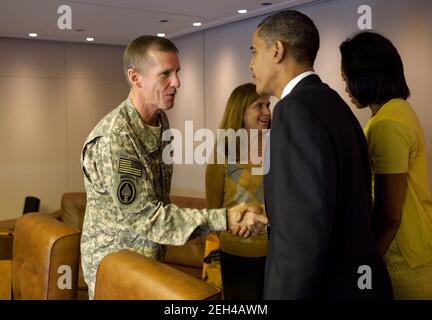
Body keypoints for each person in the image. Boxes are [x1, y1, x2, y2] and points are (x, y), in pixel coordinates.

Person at [80, 35, 268, 299]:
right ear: (136, 78)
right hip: (117, 274)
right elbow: (148, 218)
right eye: (165, 74)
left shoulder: (161, 121)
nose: (177, 83)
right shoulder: (117, 139)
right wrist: (224, 217)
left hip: (148, 264)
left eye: (177, 72)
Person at [249, 10, 393, 299]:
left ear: (277, 50)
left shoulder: (293, 110)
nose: (251, 64)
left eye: (254, 51)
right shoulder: (333, 103)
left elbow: (299, 241)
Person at [340, 31, 432, 299]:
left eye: (348, 80)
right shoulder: (398, 110)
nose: (346, 88)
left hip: (402, 259)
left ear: (365, 77)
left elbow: (389, 216)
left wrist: (365, 266)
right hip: (413, 249)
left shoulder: (387, 123)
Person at [205, 83, 271, 299]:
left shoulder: (277, 151)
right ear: (240, 111)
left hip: (275, 256)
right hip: (235, 256)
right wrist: (238, 232)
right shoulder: (221, 157)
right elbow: (214, 212)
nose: (267, 112)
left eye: (268, 105)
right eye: (258, 106)